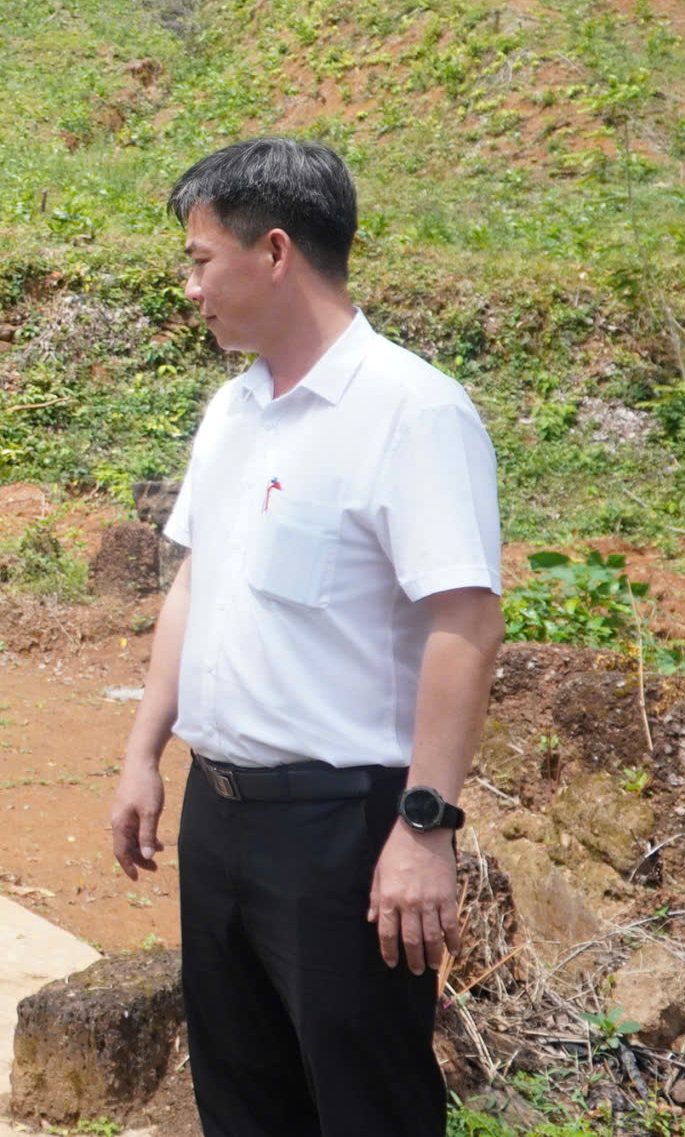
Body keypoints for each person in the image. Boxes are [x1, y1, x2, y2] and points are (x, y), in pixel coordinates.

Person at [105, 138, 505, 1137]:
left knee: (360, 1100)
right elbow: (196, 578)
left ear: (273, 251)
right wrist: (143, 751)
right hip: (223, 811)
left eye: (199, 260)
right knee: (242, 1097)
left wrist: (423, 826)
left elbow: (465, 618)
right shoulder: (233, 411)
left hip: (344, 828)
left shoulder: (409, 410)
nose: (188, 286)